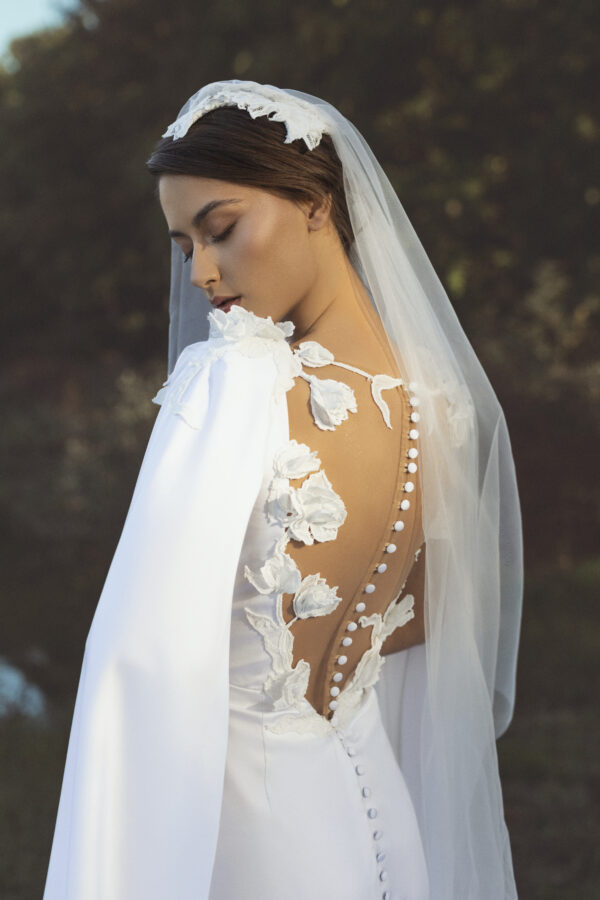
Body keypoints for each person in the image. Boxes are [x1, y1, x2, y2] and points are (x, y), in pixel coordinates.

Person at [42, 81, 523, 900]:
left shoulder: (235, 379)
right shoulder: (438, 410)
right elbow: (433, 617)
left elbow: (137, 667)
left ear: (314, 202)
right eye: (183, 245)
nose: (200, 272)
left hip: (250, 840)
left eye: (220, 229)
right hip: (380, 821)